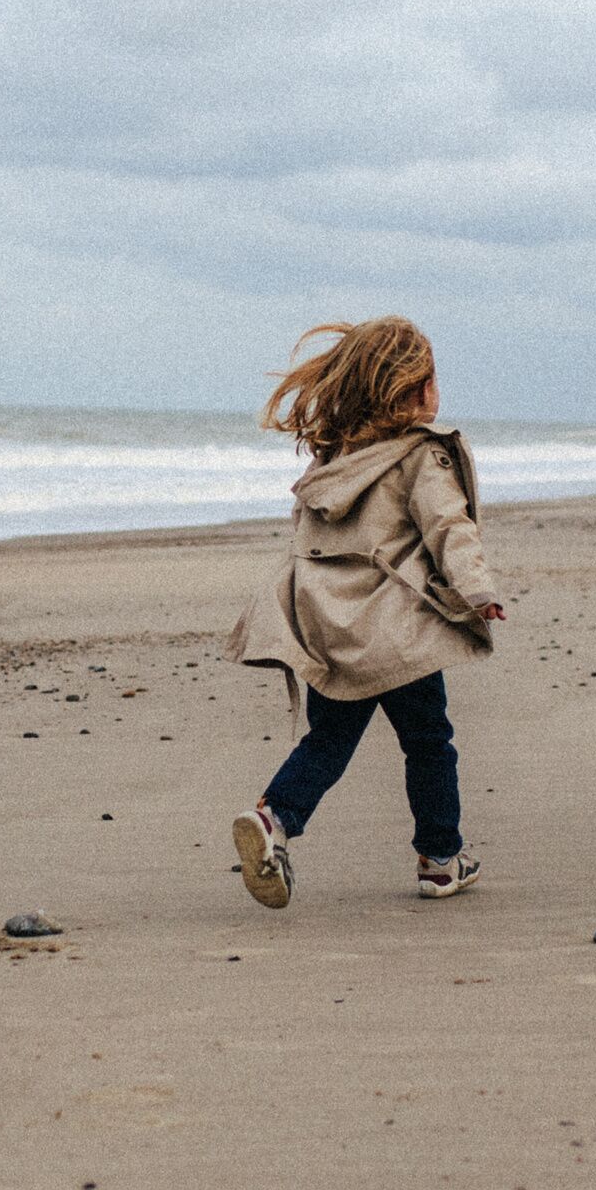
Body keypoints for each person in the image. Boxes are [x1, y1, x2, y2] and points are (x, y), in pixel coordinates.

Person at [226, 317, 504, 906]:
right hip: (399, 633)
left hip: (331, 623)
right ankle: (440, 858)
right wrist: (477, 590)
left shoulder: (332, 457)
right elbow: (449, 526)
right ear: (409, 389)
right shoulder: (420, 457)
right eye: (429, 380)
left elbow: (308, 536)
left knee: (328, 740)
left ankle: (275, 819)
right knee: (429, 741)